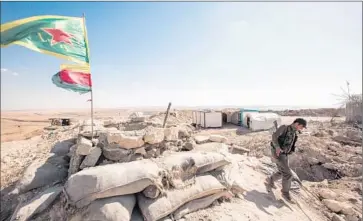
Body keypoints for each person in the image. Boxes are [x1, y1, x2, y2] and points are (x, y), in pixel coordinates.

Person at [265, 118, 307, 201]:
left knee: (282, 171)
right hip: (278, 153)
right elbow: (274, 136)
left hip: (285, 154)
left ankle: (270, 180)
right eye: (301, 127)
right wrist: (277, 147)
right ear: (297, 124)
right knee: (288, 174)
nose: (301, 129)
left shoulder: (294, 132)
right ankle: (285, 192)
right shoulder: (284, 127)